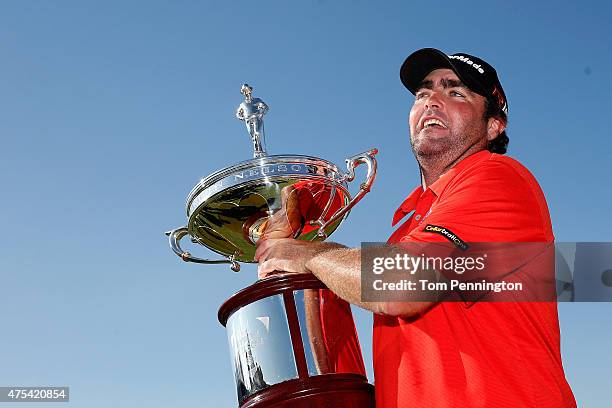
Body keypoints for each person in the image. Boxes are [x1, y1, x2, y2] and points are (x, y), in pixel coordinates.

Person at [255, 48, 576, 407]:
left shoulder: (497, 177)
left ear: (493, 125)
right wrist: (292, 246)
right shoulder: (408, 226)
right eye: (423, 93)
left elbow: (403, 285)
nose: (432, 102)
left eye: (455, 92)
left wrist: (309, 254)